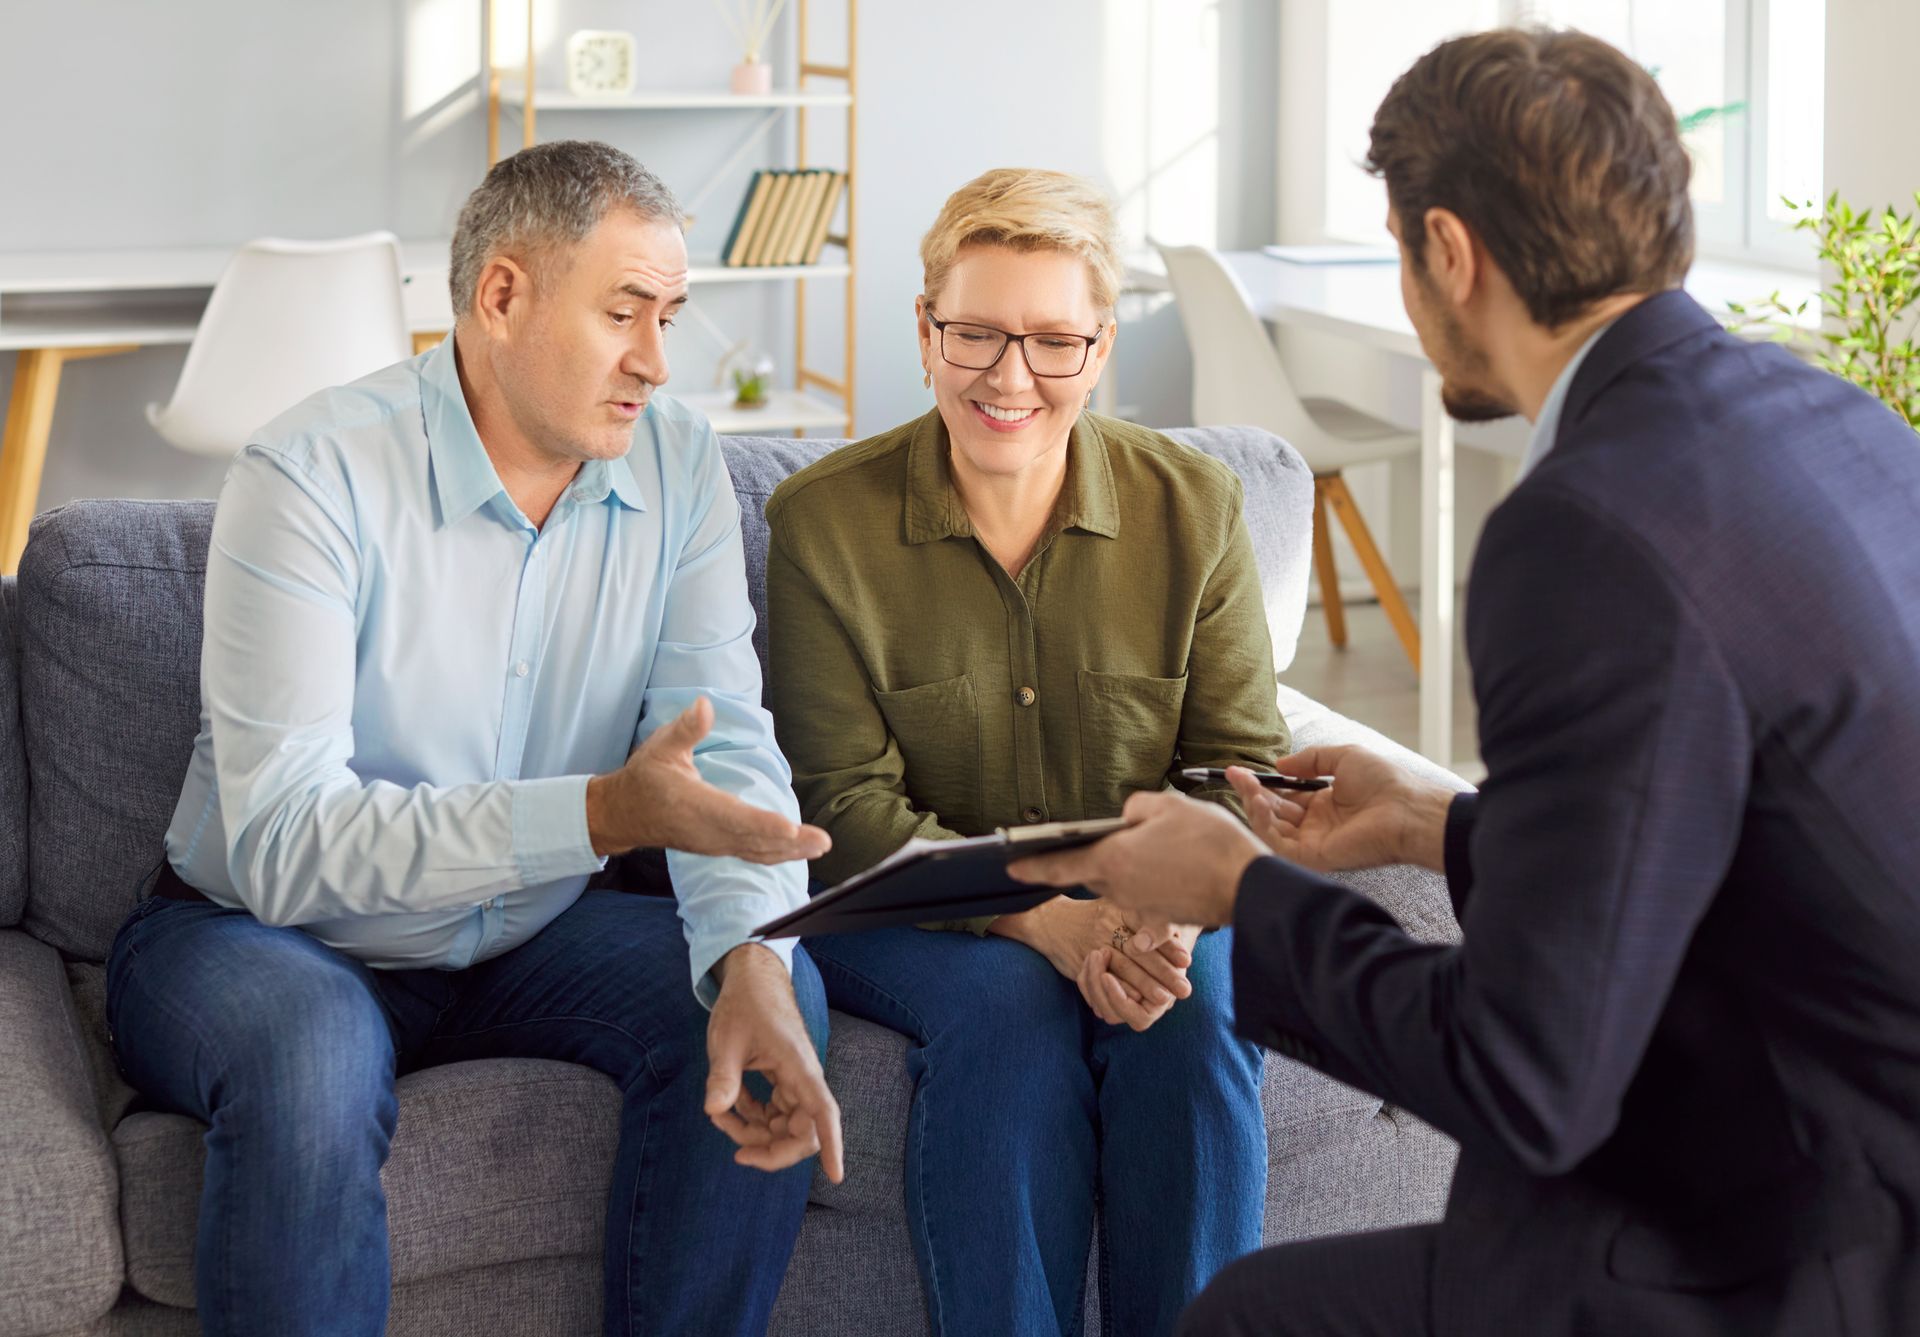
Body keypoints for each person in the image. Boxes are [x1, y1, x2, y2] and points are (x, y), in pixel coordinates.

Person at [1012, 29, 1920, 1337]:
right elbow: (1752, 841)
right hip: (1841, 1130)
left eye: (1397, 251)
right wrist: (1436, 825)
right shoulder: (1837, 418)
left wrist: (1240, 890)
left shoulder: (1585, 530)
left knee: (1248, 1320)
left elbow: (1526, 1077)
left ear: (1448, 250)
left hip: (1811, 1239)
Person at [104, 140, 843, 1337]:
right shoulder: (312, 474)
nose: (657, 361)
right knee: (308, 1054)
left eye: (671, 316)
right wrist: (595, 816)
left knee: (764, 995)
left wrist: (754, 949)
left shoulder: (680, 464)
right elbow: (289, 841)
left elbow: (721, 747)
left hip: (531, 928)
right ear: (502, 296)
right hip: (265, 931)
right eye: (623, 313)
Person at [763, 167, 1285, 1336]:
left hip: (1147, 901)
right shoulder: (821, 523)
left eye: (1054, 342)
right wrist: (1046, 914)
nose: (1011, 377)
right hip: (904, 911)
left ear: (1101, 349)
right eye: (977, 334)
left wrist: (1175, 915)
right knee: (1009, 1010)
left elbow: (1245, 771)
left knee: (1191, 1013)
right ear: (925, 330)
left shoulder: (1196, 508)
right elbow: (839, 806)